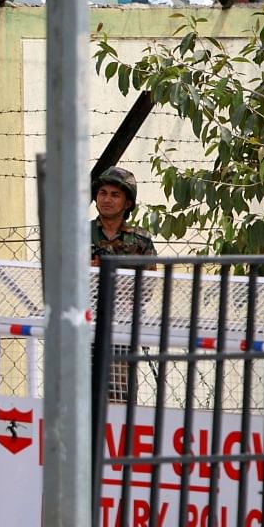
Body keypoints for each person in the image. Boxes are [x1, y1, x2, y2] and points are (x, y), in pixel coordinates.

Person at [90, 166, 157, 403]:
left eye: (115, 195)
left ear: (128, 203)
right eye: (103, 193)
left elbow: (147, 287)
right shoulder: (79, 234)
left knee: (118, 401)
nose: (106, 199)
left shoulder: (140, 240)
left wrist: (107, 277)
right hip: (83, 328)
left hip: (121, 331)